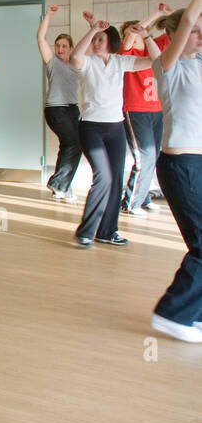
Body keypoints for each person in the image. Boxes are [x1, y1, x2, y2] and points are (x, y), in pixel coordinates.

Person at [69, 12, 157, 248]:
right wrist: (92, 30)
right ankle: (86, 231)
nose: (96, 43)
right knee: (104, 177)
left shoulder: (120, 62)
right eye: (94, 40)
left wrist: (145, 35)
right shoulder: (87, 62)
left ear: (111, 42)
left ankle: (107, 232)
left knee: (116, 179)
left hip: (115, 127)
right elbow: (75, 55)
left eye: (100, 39)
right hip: (91, 127)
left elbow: (155, 60)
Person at [147, 0, 202, 342]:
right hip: (180, 167)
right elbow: (183, 27)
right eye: (195, 31)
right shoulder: (167, 66)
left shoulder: (198, 64)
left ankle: (192, 312)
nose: (198, 37)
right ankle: (173, 313)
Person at [119, 5, 173, 215]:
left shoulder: (154, 48)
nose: (137, 37)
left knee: (154, 156)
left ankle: (142, 196)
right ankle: (130, 202)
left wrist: (168, 16)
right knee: (145, 157)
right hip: (135, 110)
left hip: (156, 110)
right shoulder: (127, 54)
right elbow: (133, 34)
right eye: (132, 35)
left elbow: (172, 35)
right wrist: (156, 13)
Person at [37, 6, 81, 202]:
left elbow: (86, 47)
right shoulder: (52, 62)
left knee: (68, 145)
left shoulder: (76, 63)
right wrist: (48, 16)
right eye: (58, 46)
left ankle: (63, 186)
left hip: (72, 108)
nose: (60, 49)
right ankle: (58, 183)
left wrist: (93, 25)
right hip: (56, 109)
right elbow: (40, 38)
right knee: (75, 143)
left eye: (64, 46)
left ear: (70, 48)